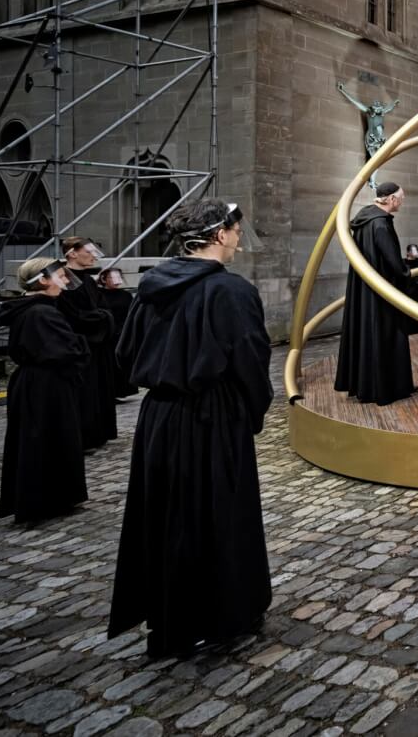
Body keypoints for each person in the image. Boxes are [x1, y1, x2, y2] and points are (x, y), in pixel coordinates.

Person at [108, 199, 274, 659]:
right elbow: (250, 362)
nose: (240, 239)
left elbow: (125, 355)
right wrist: (249, 412)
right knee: (216, 513)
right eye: (236, 232)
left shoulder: (152, 286)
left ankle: (172, 617)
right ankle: (222, 615)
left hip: (159, 417)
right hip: (211, 416)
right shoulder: (231, 292)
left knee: (166, 516)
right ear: (220, 235)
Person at [0, 257, 89, 524]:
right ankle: (44, 500)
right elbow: (65, 350)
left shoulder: (39, 309)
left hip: (39, 382)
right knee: (44, 439)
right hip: (45, 385)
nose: (64, 281)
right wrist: (82, 344)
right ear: (43, 280)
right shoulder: (41, 312)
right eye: (59, 275)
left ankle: (53, 498)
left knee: (44, 438)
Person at [334, 182, 416, 405]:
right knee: (387, 335)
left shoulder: (365, 220)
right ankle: (387, 388)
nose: (402, 201)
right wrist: (406, 274)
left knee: (371, 335)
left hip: (367, 290)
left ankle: (370, 386)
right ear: (390, 199)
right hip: (383, 290)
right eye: (401, 197)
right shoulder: (380, 224)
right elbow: (392, 261)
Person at [59, 236, 117, 449]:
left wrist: (103, 318)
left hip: (97, 344)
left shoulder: (87, 280)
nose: (93, 256)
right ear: (72, 253)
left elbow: (101, 309)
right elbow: (76, 316)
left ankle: (98, 432)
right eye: (89, 251)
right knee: (85, 392)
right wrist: (103, 318)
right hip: (82, 345)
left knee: (99, 390)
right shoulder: (65, 280)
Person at [98, 266, 139, 399]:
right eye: (113, 277)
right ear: (104, 279)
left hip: (122, 332)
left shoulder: (125, 295)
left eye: (119, 277)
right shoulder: (99, 295)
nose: (117, 281)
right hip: (106, 334)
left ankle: (121, 391)